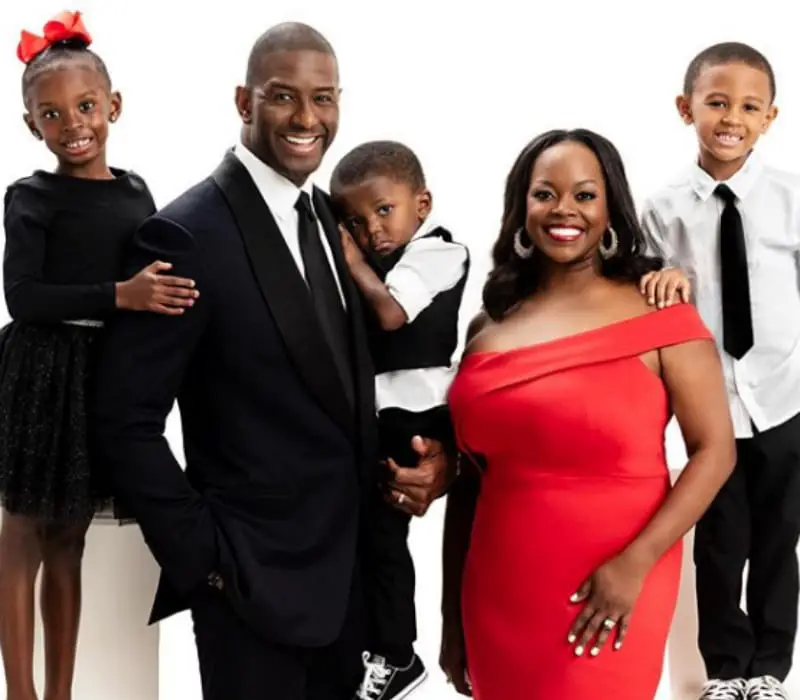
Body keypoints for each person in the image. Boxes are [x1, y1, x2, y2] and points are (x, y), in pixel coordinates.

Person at [90, 22, 453, 700]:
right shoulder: (186, 233)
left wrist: (436, 462)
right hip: (248, 590)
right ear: (243, 101)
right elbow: (124, 420)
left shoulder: (331, 217)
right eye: (283, 96)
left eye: (324, 98)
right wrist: (206, 558)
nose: (307, 118)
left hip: (345, 592)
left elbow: (359, 383)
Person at [440, 128, 737, 700]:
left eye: (584, 194)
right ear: (520, 206)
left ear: (611, 209)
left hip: (622, 581)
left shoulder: (661, 315)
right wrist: (452, 619)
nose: (564, 211)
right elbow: (469, 481)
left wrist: (635, 565)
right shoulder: (487, 328)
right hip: (499, 587)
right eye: (544, 194)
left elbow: (714, 451)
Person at [0, 11, 198, 700]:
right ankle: (19, 691)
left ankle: (60, 692)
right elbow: (23, 296)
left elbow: (157, 281)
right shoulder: (29, 198)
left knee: (70, 540)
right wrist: (121, 294)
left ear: (113, 106)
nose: (72, 124)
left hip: (96, 379)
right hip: (39, 375)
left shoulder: (136, 192)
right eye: (51, 114)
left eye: (85, 107)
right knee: (22, 532)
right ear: (33, 126)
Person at [641, 42, 800, 700]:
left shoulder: (790, 198)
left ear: (771, 117)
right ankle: (725, 671)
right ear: (687, 109)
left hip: (786, 397)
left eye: (748, 106)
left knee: (779, 542)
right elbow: (641, 291)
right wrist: (658, 275)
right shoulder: (664, 207)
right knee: (720, 542)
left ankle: (769, 670)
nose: (731, 117)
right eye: (716, 102)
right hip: (712, 410)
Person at [330, 140, 470, 699]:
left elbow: (391, 313)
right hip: (375, 416)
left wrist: (353, 262)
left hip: (418, 417)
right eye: (356, 223)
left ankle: (398, 655)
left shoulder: (440, 252)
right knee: (363, 536)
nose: (373, 231)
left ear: (422, 204)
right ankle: (377, 646)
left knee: (384, 538)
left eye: (383, 211)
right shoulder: (375, 262)